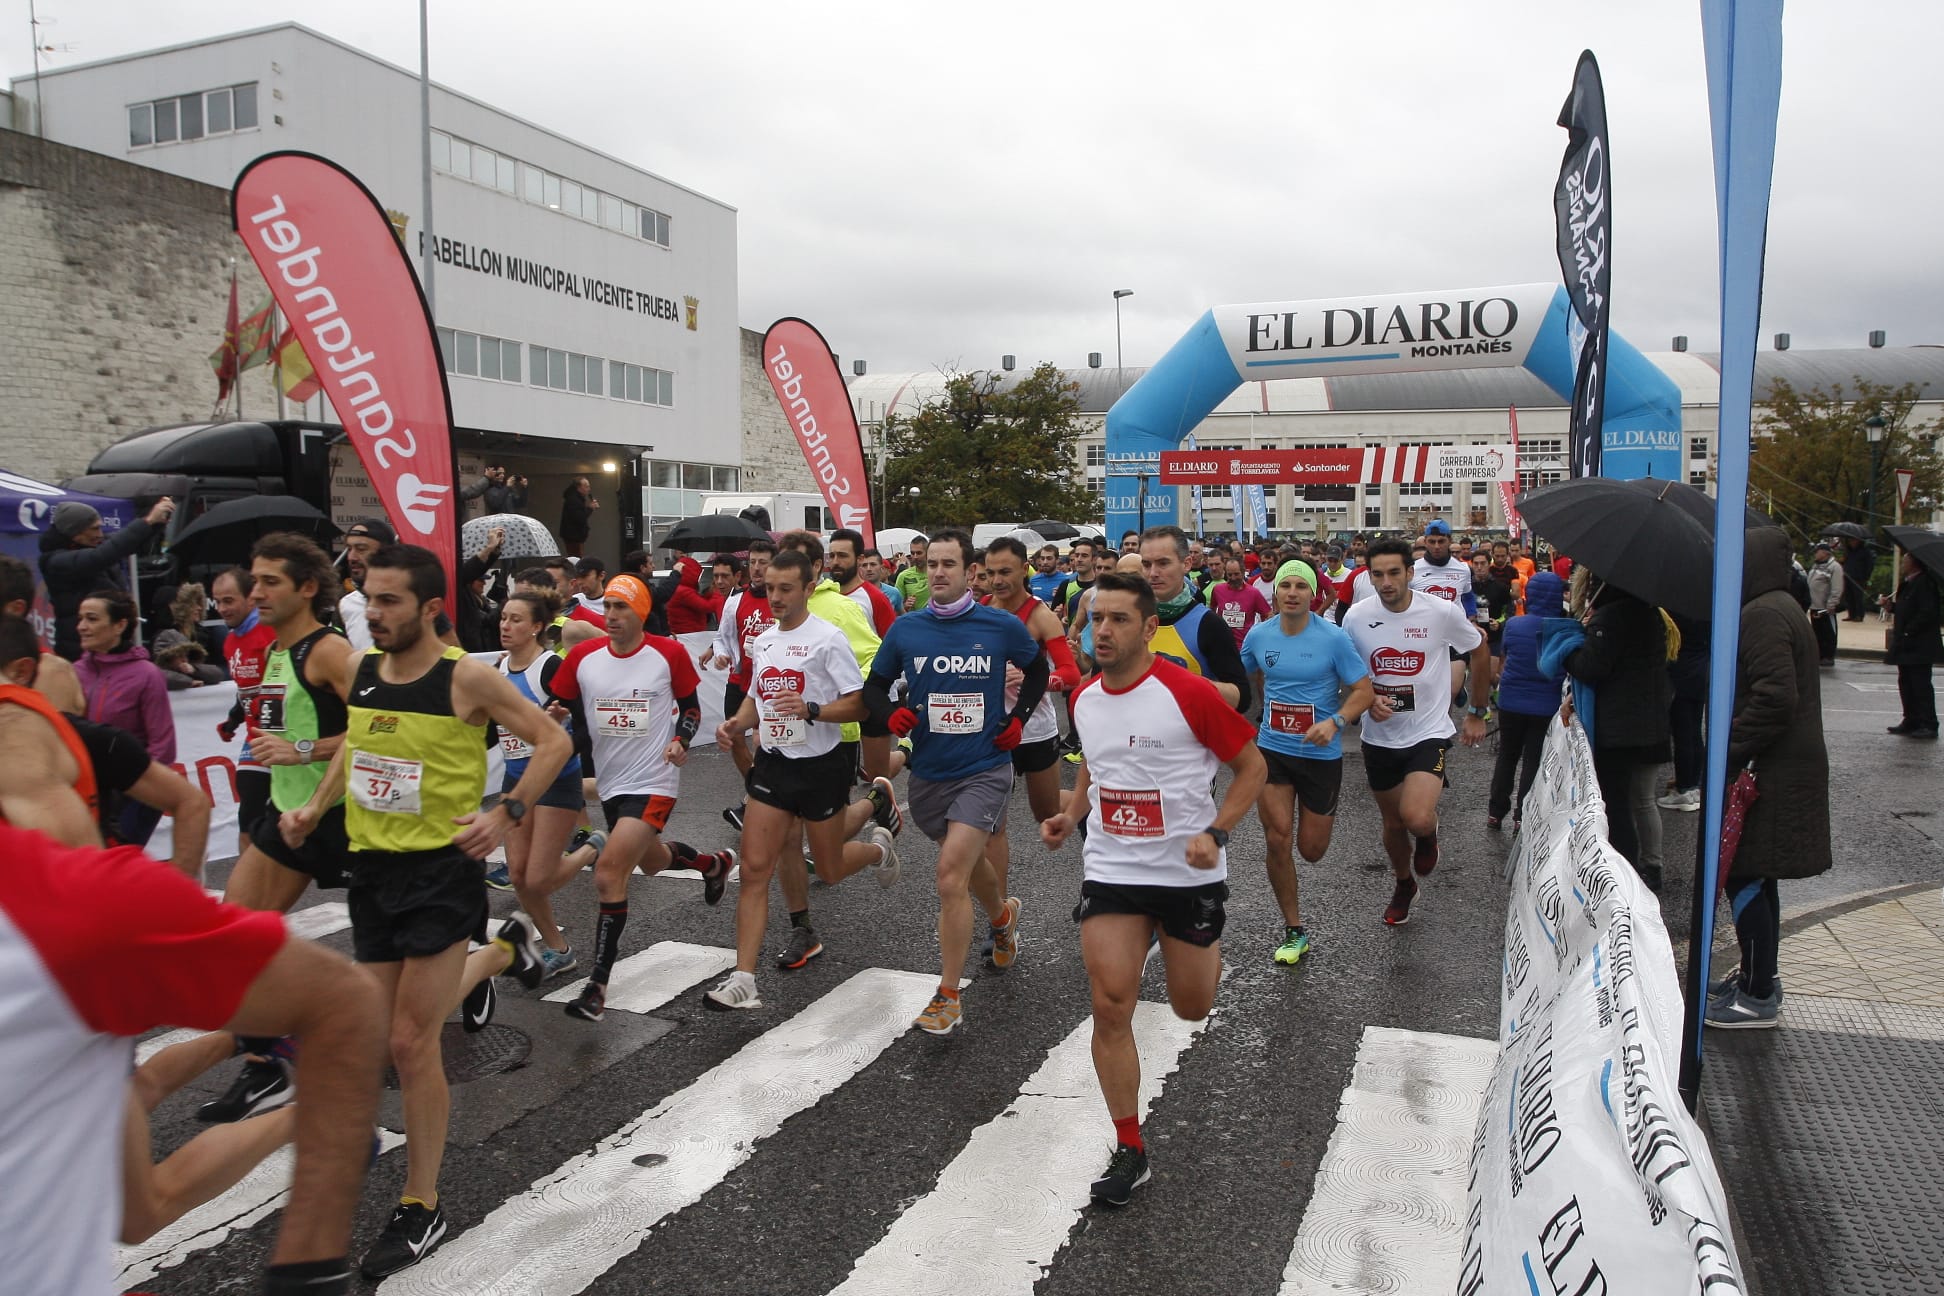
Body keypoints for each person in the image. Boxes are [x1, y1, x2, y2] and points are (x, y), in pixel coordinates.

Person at [279, 543, 568, 1277]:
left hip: (440, 873)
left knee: (413, 1044)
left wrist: (506, 813)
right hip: (372, 870)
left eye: (388, 602)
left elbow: (552, 741)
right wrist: (316, 805)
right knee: (379, 1036)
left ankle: (423, 1202)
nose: (372, 614)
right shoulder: (365, 670)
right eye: (368, 599)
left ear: (431, 608)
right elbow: (358, 747)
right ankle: (505, 950)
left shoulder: (465, 676)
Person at [0, 824, 386, 1296]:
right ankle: (281, 1084)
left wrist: (307, 1274)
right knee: (136, 1214)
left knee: (139, 1199)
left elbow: (342, 1000)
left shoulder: (61, 898)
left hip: (81, 970)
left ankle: (305, 1105)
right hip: (73, 1017)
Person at [1040, 572, 1264, 1206]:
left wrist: (1217, 832)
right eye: (1093, 619)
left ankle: (1197, 949)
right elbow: (1097, 763)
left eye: (1116, 619)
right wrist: (1072, 809)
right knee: (1110, 1004)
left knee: (1191, 1007)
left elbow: (1252, 766)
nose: (1100, 631)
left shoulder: (1186, 691)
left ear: (1146, 627)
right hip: (1113, 868)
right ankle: (1129, 1146)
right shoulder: (1083, 697)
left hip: (1187, 873)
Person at [863, 527, 1047, 1034]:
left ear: (971, 573)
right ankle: (1002, 917)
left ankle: (947, 994)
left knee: (949, 876)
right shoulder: (907, 630)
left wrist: (1018, 720)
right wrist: (892, 713)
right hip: (930, 773)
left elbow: (1038, 671)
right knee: (969, 863)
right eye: (931, 565)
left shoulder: (998, 626)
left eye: (948, 564)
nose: (938, 573)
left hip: (985, 768)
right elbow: (873, 689)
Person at [702, 549, 899, 1011]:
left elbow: (858, 704)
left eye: (786, 588)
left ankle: (878, 848)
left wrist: (812, 710)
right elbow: (756, 698)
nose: (775, 597)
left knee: (828, 867)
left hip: (822, 765)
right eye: (770, 588)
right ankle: (743, 977)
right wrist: (736, 724)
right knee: (754, 869)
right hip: (774, 764)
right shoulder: (765, 640)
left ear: (809, 588)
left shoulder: (828, 639)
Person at [545, 573, 737, 1024]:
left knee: (610, 872)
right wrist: (553, 718)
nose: (611, 615)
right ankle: (712, 864)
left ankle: (596, 986)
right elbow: (568, 713)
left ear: (641, 612)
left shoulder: (666, 653)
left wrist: (681, 741)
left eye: (621, 607)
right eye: (608, 606)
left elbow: (690, 707)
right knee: (651, 861)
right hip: (611, 783)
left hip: (654, 779)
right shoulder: (583, 657)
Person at [1708, 527, 1832, 1028]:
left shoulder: (1760, 615)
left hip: (1771, 770)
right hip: (1784, 766)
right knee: (1759, 873)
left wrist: (1730, 748)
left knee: (1747, 872)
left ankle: (1758, 995)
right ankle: (1760, 977)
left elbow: (1775, 697)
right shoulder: (1781, 606)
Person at [1345, 538, 1490, 926]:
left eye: (1394, 573)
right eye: (1378, 574)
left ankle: (1428, 834)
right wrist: (1365, 697)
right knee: (1392, 825)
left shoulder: (1440, 612)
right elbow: (1349, 671)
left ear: (1411, 573)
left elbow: (1478, 648)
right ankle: (1403, 883)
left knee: (1416, 817)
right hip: (1379, 737)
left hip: (1428, 731)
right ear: (1369, 576)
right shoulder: (1357, 617)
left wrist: (1478, 711)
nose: (1386, 582)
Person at [1240, 560, 1373, 965]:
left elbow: (1363, 691)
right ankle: (1293, 929)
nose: (1292, 592)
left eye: (1301, 585)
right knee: (1277, 837)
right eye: (1286, 585)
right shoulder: (1258, 636)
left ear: (1313, 593)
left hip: (1320, 754)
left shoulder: (1332, 638)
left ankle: (1295, 919)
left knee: (1311, 850)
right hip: (1273, 749)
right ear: (1276, 592)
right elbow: (1233, 679)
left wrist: (1335, 722)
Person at [496, 590, 604, 979]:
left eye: (516, 620)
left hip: (558, 779)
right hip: (515, 779)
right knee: (519, 876)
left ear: (538, 627)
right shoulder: (497, 669)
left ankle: (591, 848)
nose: (506, 626)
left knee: (539, 877)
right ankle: (559, 949)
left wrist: (554, 733)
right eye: (504, 618)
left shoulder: (549, 667)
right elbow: (493, 735)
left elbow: (584, 727)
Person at [981, 537, 1083, 934]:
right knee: (994, 824)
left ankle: (1092, 804)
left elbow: (1071, 674)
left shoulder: (1040, 616)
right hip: (994, 731)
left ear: (1024, 569)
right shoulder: (983, 611)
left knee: (1046, 812)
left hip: (1035, 729)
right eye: (990, 573)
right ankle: (1000, 920)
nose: (997, 580)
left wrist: (1035, 678)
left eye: (1005, 572)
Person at [1557, 569, 1675, 889]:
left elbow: (1590, 668)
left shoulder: (1609, 618)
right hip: (1652, 721)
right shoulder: (1651, 613)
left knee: (1616, 800)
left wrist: (1569, 647)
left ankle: (1623, 872)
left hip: (1619, 727)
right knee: (1644, 799)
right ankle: (1653, 866)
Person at [74, 588, 176, 848]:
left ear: (120, 625)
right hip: (89, 792)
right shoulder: (73, 672)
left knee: (117, 866)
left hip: (134, 792)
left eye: (92, 619)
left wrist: (132, 789)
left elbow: (163, 747)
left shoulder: (146, 674)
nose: (82, 626)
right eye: (81, 618)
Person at [38, 495, 175, 660]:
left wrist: (156, 524)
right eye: (94, 529)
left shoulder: (91, 548)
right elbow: (103, 555)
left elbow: (125, 544)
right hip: (80, 651)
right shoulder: (56, 561)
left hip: (107, 645)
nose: (100, 534)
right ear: (75, 533)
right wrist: (147, 521)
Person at [1140, 525, 1252, 713]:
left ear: (1186, 564)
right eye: (1146, 564)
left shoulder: (1209, 624)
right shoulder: (1128, 620)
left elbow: (1242, 698)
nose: (1153, 573)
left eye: (1163, 563)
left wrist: (1186, 681)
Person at [1488, 571, 1568, 831]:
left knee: (1507, 756)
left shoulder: (1514, 624)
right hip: (1545, 704)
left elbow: (1505, 656)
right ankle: (1522, 814)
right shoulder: (1566, 629)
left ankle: (1496, 811)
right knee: (1533, 759)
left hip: (1511, 700)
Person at [706, 537, 776, 829]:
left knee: (765, 744)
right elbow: (722, 638)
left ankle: (758, 800)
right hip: (739, 681)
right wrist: (722, 656)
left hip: (771, 686)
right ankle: (757, 789)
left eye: (763, 562)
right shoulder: (735, 602)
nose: (757, 569)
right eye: (753, 563)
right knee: (734, 738)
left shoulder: (782, 599)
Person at [212, 565, 280, 854]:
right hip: (257, 738)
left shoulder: (269, 633)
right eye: (217, 601)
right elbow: (245, 690)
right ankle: (247, 887)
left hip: (286, 735)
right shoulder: (229, 641)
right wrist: (233, 719)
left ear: (250, 599)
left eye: (229, 600)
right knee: (249, 813)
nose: (222, 608)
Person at [1884, 545, 1941, 737]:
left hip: (1919, 644)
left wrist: (1909, 631)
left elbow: (1927, 612)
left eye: (1905, 560)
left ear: (1914, 563)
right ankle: (1911, 719)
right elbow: (1906, 608)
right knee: (1906, 682)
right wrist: (1891, 607)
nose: (1902, 563)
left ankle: (1928, 723)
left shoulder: (1925, 583)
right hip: (1906, 643)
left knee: (1920, 684)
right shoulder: (1908, 583)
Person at [1207, 555, 1272, 649]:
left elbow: (1268, 614)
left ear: (1243, 572)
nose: (1233, 578)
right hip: (1222, 645)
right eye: (1230, 575)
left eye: (1236, 574)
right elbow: (1212, 610)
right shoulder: (1218, 590)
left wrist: (1261, 634)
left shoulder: (1253, 593)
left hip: (1244, 646)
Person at [1806, 542, 1845, 668]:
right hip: (1814, 606)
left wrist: (1832, 603)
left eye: (1817, 551)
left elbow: (1836, 587)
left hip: (1825, 608)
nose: (1815, 553)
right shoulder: (1816, 566)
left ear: (1825, 553)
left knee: (1828, 632)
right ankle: (1819, 654)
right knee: (1817, 632)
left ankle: (1828, 655)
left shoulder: (1834, 567)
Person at [559, 477, 598, 558]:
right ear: (579, 488)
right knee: (576, 559)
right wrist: (590, 508)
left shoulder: (576, 498)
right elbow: (579, 517)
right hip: (574, 536)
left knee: (577, 557)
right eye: (586, 486)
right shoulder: (573, 500)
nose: (589, 489)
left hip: (575, 535)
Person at [1840, 534, 1874, 621]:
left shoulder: (1865, 552)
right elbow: (1844, 562)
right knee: (1849, 597)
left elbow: (1869, 565)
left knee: (1858, 597)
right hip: (1847, 576)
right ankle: (1851, 614)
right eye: (1851, 540)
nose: (1852, 542)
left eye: (1854, 540)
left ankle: (1859, 615)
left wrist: (1866, 577)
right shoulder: (1848, 551)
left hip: (1858, 578)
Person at [895, 534, 931, 612]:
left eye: (919, 553)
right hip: (915, 621)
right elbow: (896, 607)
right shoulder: (903, 576)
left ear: (928, 553)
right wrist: (905, 606)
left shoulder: (937, 574)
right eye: (912, 553)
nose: (915, 557)